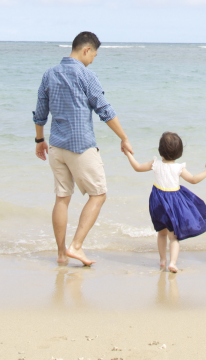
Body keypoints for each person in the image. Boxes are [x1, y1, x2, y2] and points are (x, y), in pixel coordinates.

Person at [33, 31, 133, 266]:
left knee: (61, 198)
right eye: (94, 55)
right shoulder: (86, 75)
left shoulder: (49, 74)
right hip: (81, 146)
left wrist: (39, 141)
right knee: (98, 194)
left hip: (56, 146)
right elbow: (104, 110)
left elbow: (40, 112)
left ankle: (61, 255)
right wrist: (124, 137)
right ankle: (76, 246)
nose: (93, 60)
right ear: (86, 49)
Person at [124, 131, 206, 273]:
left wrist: (128, 154)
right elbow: (193, 180)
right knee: (174, 237)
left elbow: (137, 167)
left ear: (160, 150)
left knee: (161, 233)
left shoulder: (155, 164)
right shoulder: (179, 168)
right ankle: (172, 263)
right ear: (179, 152)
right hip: (173, 203)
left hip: (157, 201)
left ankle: (162, 261)